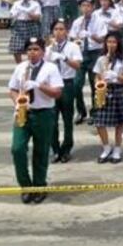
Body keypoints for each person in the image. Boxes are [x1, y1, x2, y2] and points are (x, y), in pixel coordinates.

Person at [8, 37, 64, 204]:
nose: (32, 53)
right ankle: (26, 186)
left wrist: (39, 85)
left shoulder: (50, 68)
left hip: (43, 113)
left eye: (36, 49)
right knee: (17, 149)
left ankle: (39, 186)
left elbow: (57, 92)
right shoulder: (20, 67)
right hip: (23, 112)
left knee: (41, 152)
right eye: (30, 49)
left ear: (43, 51)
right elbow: (11, 89)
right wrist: (17, 101)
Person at [92, 32, 123, 164]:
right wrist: (98, 84)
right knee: (99, 122)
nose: (111, 45)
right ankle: (106, 148)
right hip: (104, 91)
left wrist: (116, 76)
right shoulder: (101, 59)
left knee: (119, 122)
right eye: (108, 42)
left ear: (118, 44)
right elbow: (97, 75)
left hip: (119, 90)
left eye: (114, 42)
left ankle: (117, 149)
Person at [46, 19, 83, 163]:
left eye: (61, 29)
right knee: (52, 120)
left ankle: (67, 148)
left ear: (66, 31)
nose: (58, 32)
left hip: (67, 83)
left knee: (68, 119)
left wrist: (64, 58)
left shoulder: (73, 46)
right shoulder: (49, 48)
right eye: (55, 29)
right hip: (52, 85)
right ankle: (55, 149)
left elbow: (77, 66)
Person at [70, 0, 104, 125]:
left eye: (88, 6)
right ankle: (81, 111)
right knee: (76, 85)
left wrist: (90, 34)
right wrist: (77, 39)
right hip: (80, 53)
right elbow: (73, 37)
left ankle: (95, 112)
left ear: (93, 7)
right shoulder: (77, 22)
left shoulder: (99, 21)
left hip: (95, 52)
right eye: (83, 6)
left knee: (94, 84)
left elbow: (101, 40)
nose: (86, 8)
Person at [8, 0, 43, 64]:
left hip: (31, 25)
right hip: (19, 25)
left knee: (32, 46)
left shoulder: (35, 4)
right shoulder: (17, 3)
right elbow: (11, 14)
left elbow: (38, 17)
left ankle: (31, 63)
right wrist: (14, 14)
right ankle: (19, 64)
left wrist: (29, 13)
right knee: (16, 47)